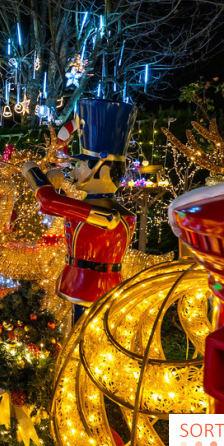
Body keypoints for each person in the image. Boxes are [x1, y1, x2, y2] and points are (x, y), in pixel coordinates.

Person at [22, 98, 136, 307]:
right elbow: (50, 206)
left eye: (80, 165)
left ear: (101, 170)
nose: (73, 172)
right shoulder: (91, 208)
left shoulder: (108, 216)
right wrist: (53, 184)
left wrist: (32, 172)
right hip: (75, 284)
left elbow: (48, 202)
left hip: (95, 291)